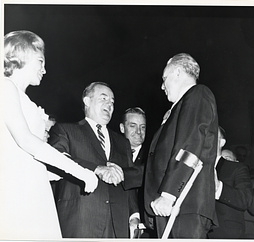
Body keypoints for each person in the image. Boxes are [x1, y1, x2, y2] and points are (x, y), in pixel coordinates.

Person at [0, 30, 98, 240]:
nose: (44, 69)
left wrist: (59, 172)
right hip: (18, 191)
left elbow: (27, 157)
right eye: (40, 61)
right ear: (21, 54)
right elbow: (26, 141)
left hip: (32, 188)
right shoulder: (4, 87)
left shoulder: (23, 98)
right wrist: (78, 171)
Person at [48, 82, 139, 238]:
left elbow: (127, 182)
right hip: (81, 221)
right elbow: (55, 159)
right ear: (87, 101)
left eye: (112, 101)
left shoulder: (122, 142)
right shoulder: (65, 130)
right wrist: (96, 168)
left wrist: (134, 216)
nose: (109, 104)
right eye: (103, 98)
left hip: (117, 225)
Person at [144, 53, 219, 238]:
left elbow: (189, 148)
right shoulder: (177, 109)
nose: (162, 86)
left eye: (164, 79)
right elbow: (158, 162)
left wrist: (168, 195)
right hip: (172, 206)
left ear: (177, 72)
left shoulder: (197, 94)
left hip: (184, 203)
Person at [208, 127, 253, 239]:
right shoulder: (196, 165)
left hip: (225, 233)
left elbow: (246, 199)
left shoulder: (237, 168)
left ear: (222, 142)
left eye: (212, 133)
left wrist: (219, 188)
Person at [119, 107, 148, 237]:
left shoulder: (152, 156)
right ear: (122, 128)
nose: (138, 132)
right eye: (132, 126)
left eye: (142, 127)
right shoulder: (111, 154)